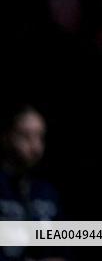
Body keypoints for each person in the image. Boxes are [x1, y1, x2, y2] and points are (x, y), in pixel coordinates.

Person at [0, 104, 68, 261]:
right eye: (25, 136)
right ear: (6, 136)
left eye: (39, 136)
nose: (35, 146)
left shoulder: (48, 192)